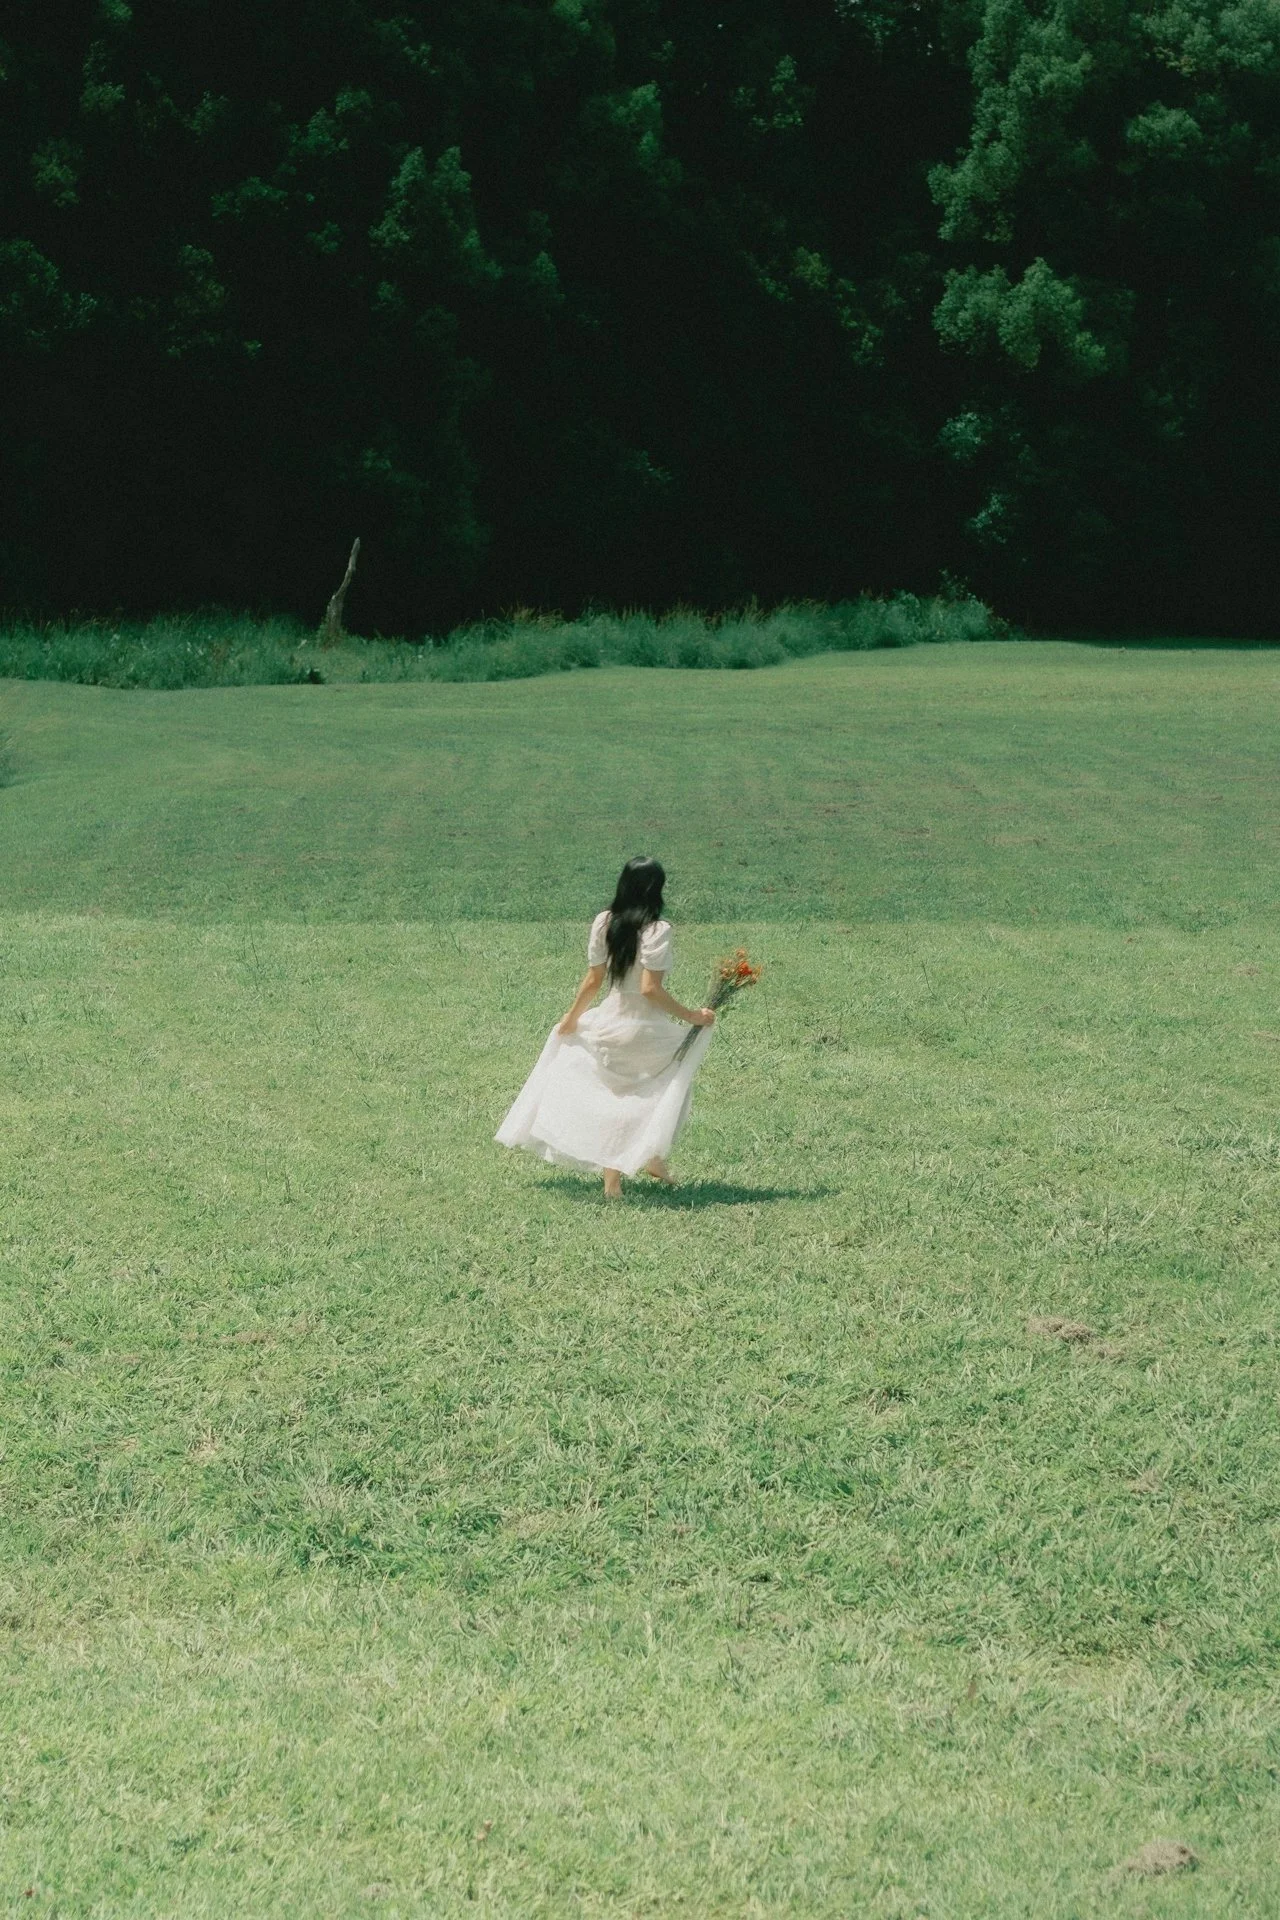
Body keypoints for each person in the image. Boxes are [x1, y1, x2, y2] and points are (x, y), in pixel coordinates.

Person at [495, 856, 715, 1198]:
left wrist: (571, 1018)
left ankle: (635, 1167)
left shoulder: (603, 922)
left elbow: (593, 980)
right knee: (667, 1089)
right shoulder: (658, 931)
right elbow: (649, 989)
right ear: (656, 890)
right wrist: (691, 1016)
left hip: (608, 1023)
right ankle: (642, 1162)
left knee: (616, 1097)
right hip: (644, 1029)